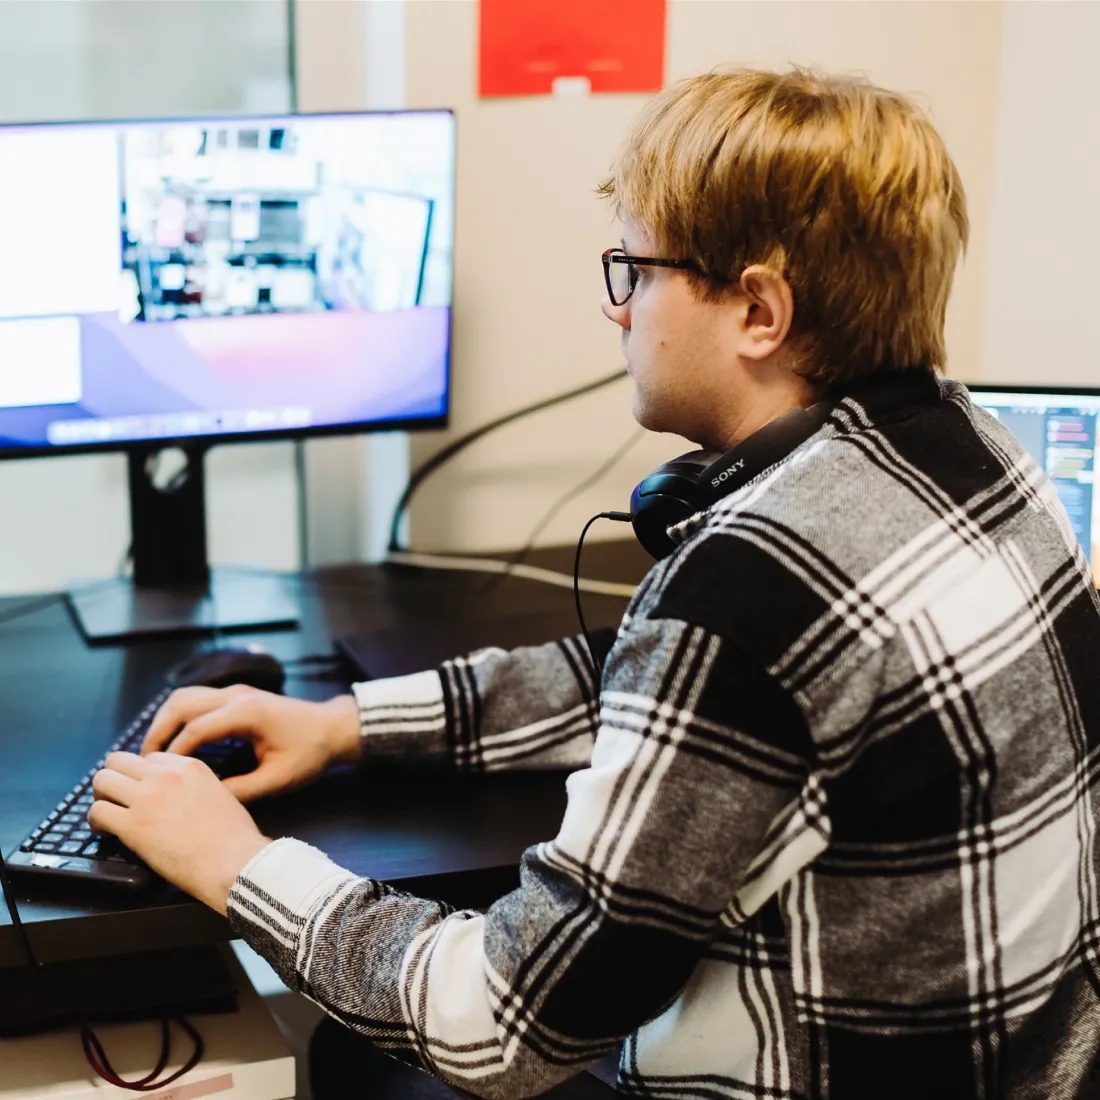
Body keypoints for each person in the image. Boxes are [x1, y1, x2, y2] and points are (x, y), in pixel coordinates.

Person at [89, 67, 1100, 1099]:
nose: (614, 309)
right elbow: (676, 689)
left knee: (358, 1058)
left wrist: (236, 862)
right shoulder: (977, 455)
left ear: (756, 308)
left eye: (635, 270)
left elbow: (501, 1023)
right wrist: (347, 723)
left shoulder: (746, 592)